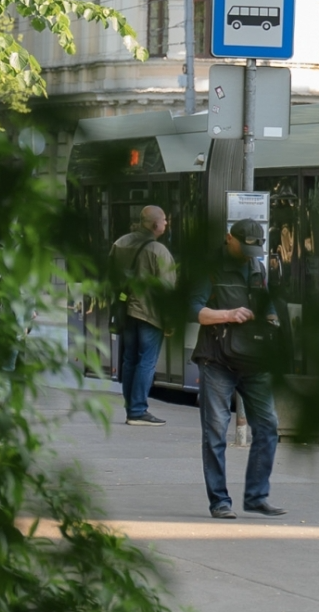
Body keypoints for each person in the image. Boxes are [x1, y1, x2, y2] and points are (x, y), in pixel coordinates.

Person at [190, 218, 287, 519]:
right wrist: (228, 314)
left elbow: (269, 308)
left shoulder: (258, 266)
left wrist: (271, 321)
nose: (249, 254)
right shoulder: (210, 267)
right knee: (216, 431)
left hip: (254, 360)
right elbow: (194, 310)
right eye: (244, 247)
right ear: (228, 238)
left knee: (268, 425)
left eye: (254, 249)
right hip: (217, 359)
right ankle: (220, 500)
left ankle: (257, 495)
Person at [111, 205, 176, 426]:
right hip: (151, 313)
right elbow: (168, 289)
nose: (166, 223)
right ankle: (138, 411)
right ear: (154, 224)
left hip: (126, 310)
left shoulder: (120, 243)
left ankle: (131, 408)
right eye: (164, 220)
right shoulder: (159, 251)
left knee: (129, 359)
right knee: (146, 361)